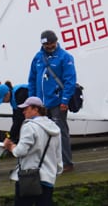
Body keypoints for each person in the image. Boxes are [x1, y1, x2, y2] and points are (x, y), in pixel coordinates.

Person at [27, 30, 76, 173]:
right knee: (42, 135)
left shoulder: (65, 57)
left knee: (60, 132)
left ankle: (67, 162)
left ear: (56, 41)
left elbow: (70, 80)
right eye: (46, 44)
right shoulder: (37, 58)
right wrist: (32, 101)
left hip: (57, 102)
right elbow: (32, 80)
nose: (49, 46)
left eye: (51, 43)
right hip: (41, 104)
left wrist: (65, 100)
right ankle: (48, 163)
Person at [3, 97, 63, 205]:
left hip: (29, 178)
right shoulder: (55, 128)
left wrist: (11, 147)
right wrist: (55, 172)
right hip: (48, 178)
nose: (23, 111)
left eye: (26, 108)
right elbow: (58, 156)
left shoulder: (29, 126)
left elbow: (19, 152)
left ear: (36, 109)